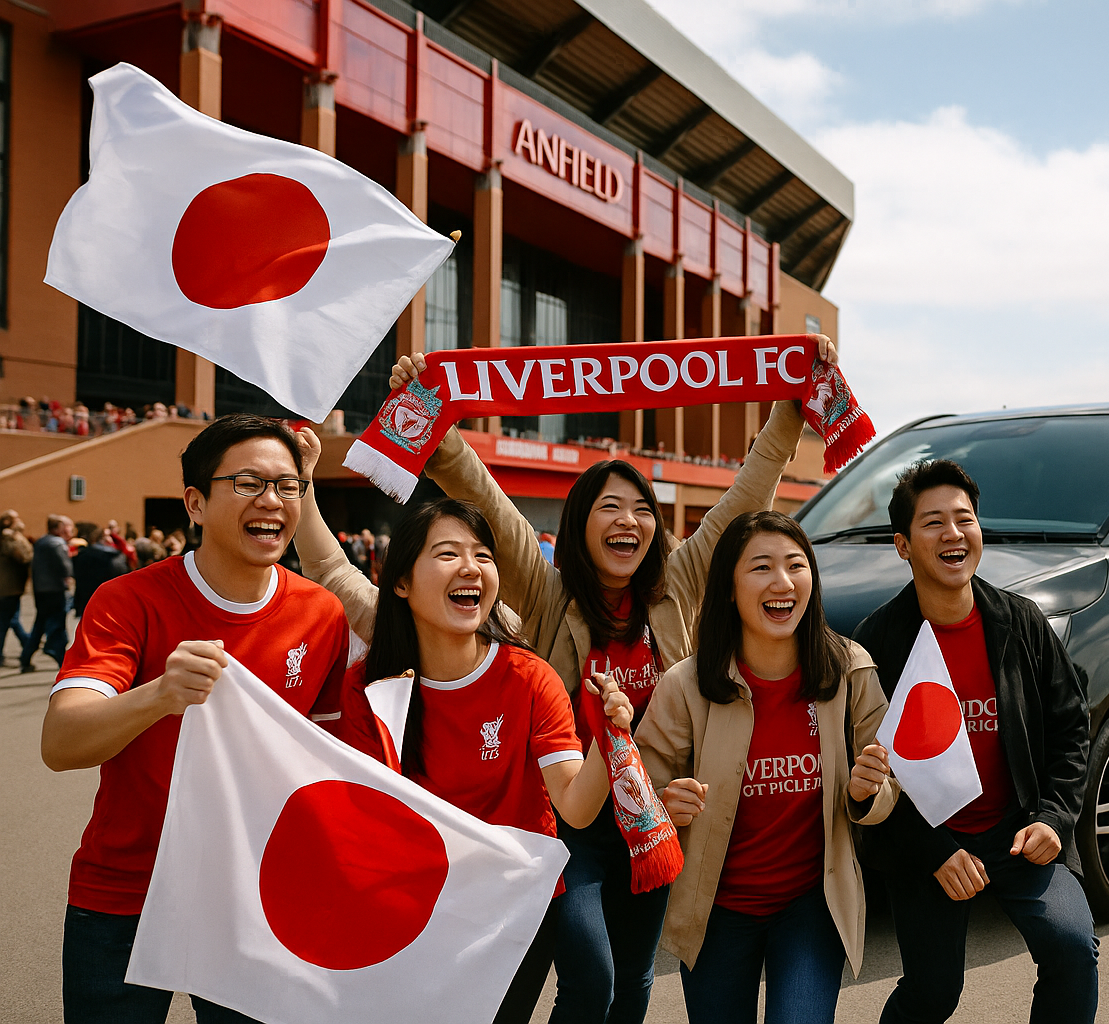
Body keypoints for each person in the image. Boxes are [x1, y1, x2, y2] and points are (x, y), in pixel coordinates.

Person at [299, 337, 840, 1024]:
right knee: (592, 976)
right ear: (578, 522)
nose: (629, 521)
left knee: (636, 981)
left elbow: (745, 498)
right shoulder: (547, 592)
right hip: (567, 819)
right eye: (609, 508)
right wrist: (434, 421)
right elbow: (485, 501)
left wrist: (789, 410)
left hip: (653, 815)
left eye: (642, 508)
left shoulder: (677, 587)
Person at [39, 413, 353, 1024]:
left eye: (288, 486)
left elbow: (326, 759)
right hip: (126, 893)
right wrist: (158, 694)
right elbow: (62, 741)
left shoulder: (321, 614)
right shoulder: (128, 600)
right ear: (195, 503)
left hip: (253, 899)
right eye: (248, 483)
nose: (272, 501)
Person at [338, 497, 634, 1024]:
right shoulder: (370, 686)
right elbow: (367, 821)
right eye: (447, 554)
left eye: (483, 554)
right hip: (421, 907)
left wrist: (609, 740)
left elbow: (575, 808)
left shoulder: (529, 677)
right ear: (400, 581)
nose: (472, 568)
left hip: (512, 903)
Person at [852, 459, 1098, 1024]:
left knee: (1071, 949)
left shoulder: (1021, 622)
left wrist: (1054, 820)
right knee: (933, 991)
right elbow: (866, 778)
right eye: (933, 522)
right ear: (902, 545)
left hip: (1018, 831)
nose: (954, 534)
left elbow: (1070, 727)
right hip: (929, 845)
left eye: (965, 519)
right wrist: (932, 850)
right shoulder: (877, 642)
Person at [634, 511, 896, 1024]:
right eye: (761, 567)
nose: (783, 582)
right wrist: (663, 804)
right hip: (714, 909)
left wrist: (869, 793)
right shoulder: (686, 685)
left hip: (811, 904)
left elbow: (893, 782)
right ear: (729, 588)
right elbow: (640, 786)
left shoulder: (851, 669)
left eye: (797, 565)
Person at [19, 514, 74, 673]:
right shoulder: (57, 543)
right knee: (57, 625)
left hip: (41, 589)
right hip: (54, 589)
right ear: (57, 528)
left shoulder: (42, 541)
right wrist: (69, 576)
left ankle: (26, 657)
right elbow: (65, 566)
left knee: (40, 624)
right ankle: (58, 657)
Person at [72, 528, 130, 617]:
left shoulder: (116, 556)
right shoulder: (110, 556)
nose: (109, 539)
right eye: (106, 536)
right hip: (95, 598)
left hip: (102, 599)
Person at [1, 510, 33, 664]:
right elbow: (24, 556)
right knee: (6, 620)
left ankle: (27, 643)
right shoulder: (8, 538)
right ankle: (27, 643)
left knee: (11, 619)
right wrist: (18, 536)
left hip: (11, 586)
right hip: (8, 587)